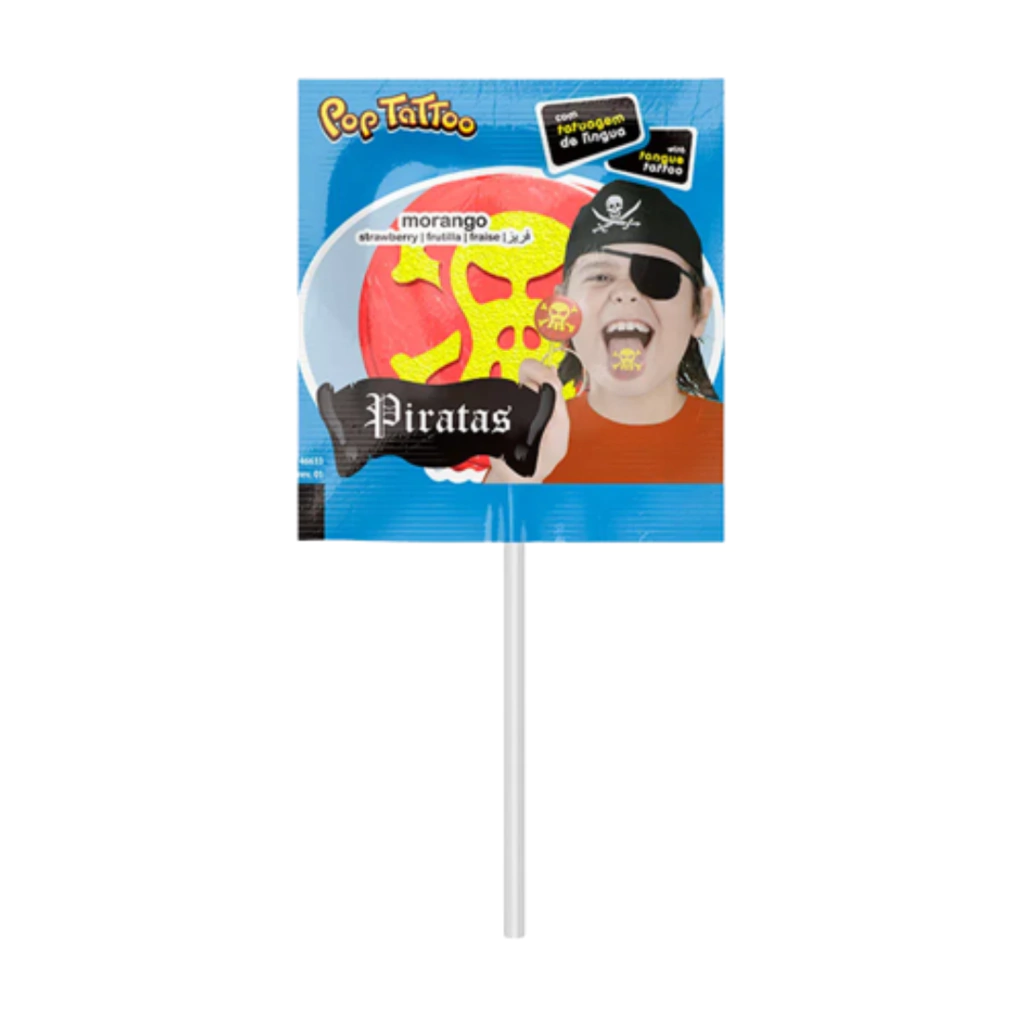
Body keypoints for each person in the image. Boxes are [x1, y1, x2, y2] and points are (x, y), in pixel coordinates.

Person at [485, 180, 723, 484]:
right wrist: (515, 481)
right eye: (600, 276)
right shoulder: (534, 443)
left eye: (656, 275)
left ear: (700, 310)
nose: (625, 292)